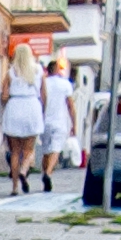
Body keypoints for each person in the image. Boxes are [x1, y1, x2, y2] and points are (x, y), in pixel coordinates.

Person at [0, 43, 45, 195]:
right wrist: (42, 110)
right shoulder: (39, 71)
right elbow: (44, 94)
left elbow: (4, 96)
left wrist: (5, 104)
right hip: (32, 107)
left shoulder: (10, 72)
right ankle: (24, 171)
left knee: (15, 151)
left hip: (15, 107)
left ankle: (14, 188)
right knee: (29, 150)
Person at [39, 60, 76, 193]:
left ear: (48, 70)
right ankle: (48, 173)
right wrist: (74, 124)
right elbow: (70, 105)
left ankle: (45, 175)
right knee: (56, 149)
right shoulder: (65, 84)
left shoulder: (43, 83)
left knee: (46, 151)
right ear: (57, 70)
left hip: (44, 121)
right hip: (59, 121)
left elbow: (40, 101)